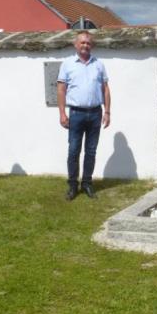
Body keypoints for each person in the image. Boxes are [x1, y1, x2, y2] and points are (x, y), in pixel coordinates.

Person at [57, 31, 111, 200]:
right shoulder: (67, 64)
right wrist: (62, 113)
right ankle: (73, 185)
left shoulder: (99, 65)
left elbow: (105, 89)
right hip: (76, 114)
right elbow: (61, 89)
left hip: (95, 113)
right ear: (76, 44)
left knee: (91, 151)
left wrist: (107, 111)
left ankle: (87, 183)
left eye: (88, 43)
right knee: (73, 151)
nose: (85, 45)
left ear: (91, 46)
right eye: (82, 42)